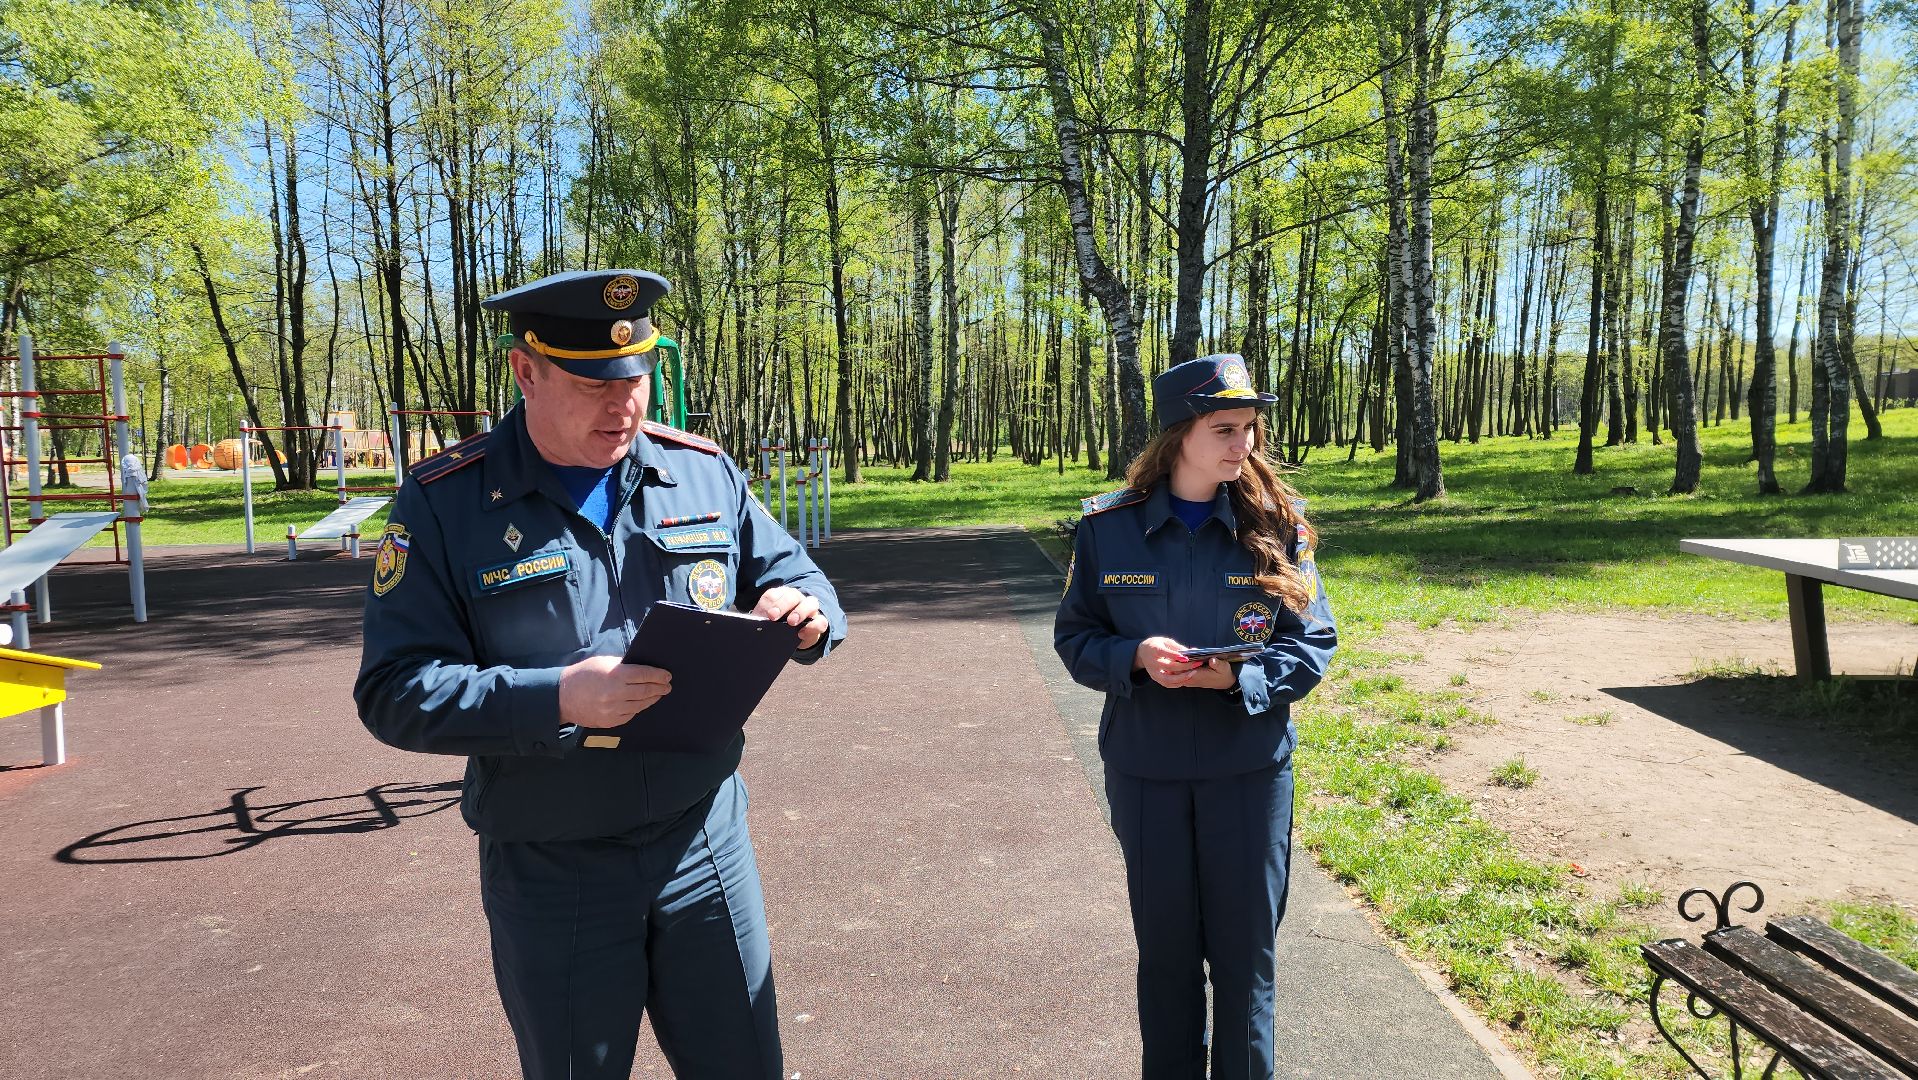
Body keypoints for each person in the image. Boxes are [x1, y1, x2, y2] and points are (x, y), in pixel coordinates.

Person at [356, 268, 846, 1080]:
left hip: (704, 842)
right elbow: (395, 692)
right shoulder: (445, 503)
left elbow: (801, 577)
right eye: (592, 382)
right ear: (526, 369)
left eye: (637, 376)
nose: (623, 404)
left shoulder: (699, 471)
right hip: (555, 863)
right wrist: (555, 697)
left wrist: (805, 613)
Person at [1053, 353, 1337, 1080]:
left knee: (1245, 964)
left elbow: (1312, 645)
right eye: (1223, 428)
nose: (1242, 444)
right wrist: (1134, 657)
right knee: (1168, 959)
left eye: (1248, 428)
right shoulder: (1106, 530)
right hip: (1147, 772)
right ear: (1179, 434)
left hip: (1246, 773)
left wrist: (1238, 679)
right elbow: (1076, 637)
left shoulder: (1279, 527)